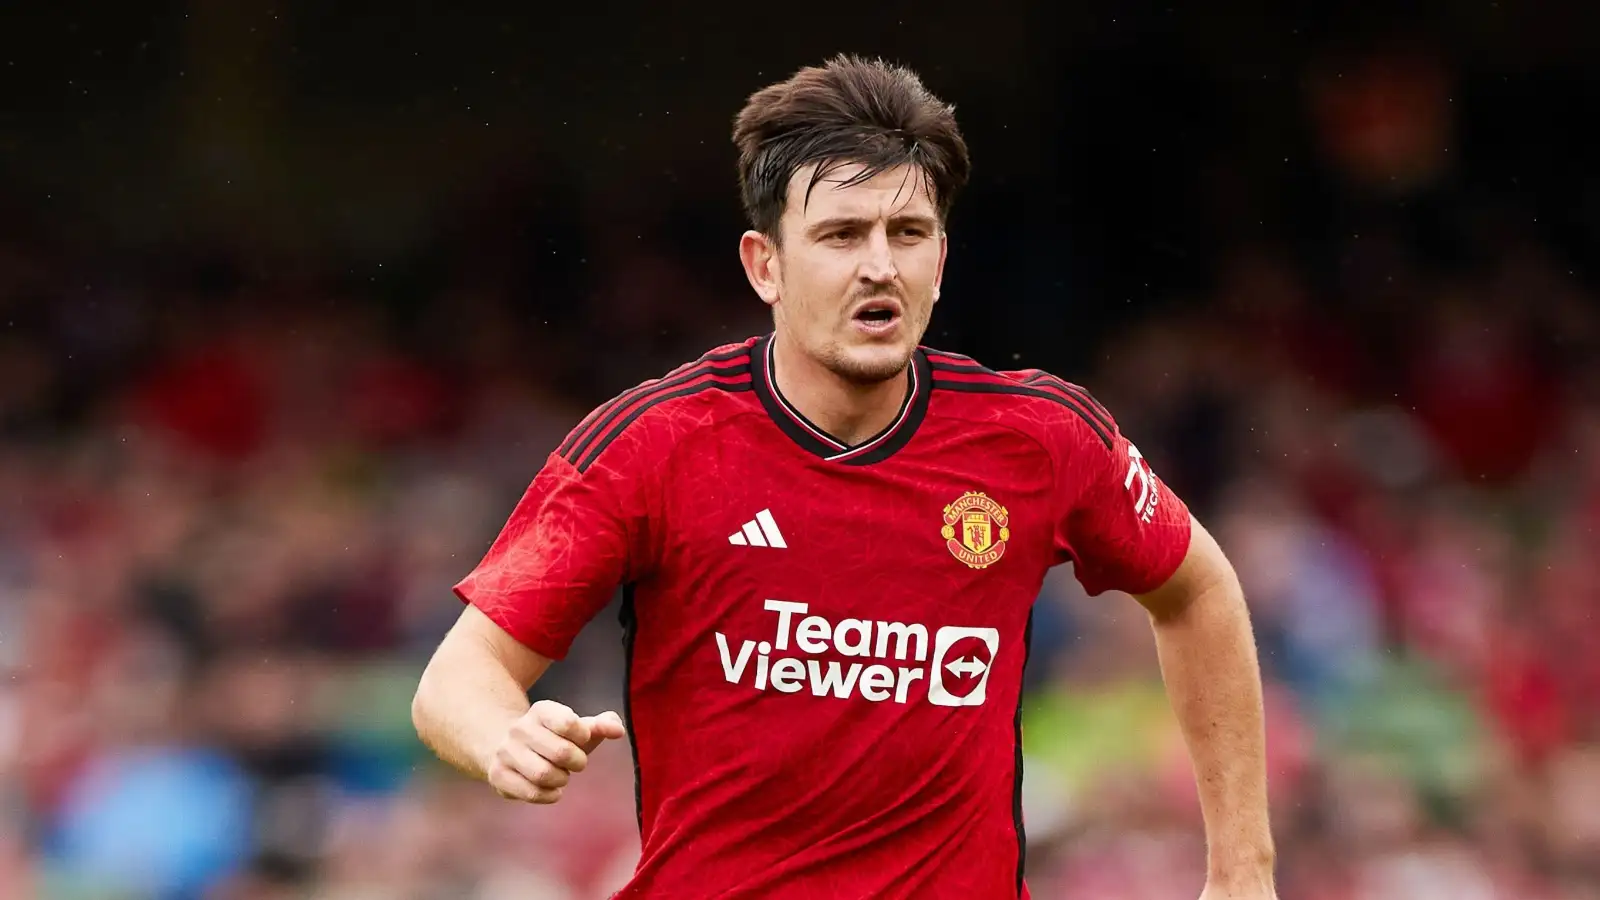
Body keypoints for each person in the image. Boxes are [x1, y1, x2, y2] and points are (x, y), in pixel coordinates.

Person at [412, 54, 1277, 899]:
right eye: (840, 235)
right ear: (765, 265)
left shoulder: (1039, 438)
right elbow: (459, 678)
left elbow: (1198, 590)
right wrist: (504, 737)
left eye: (908, 234)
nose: (879, 266)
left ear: (941, 260)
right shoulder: (657, 443)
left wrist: (1242, 873)